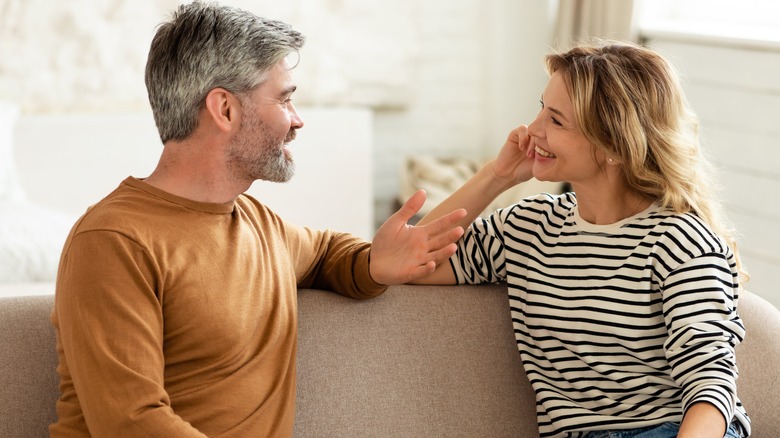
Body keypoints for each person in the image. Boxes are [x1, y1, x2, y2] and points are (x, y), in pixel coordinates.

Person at [49, 2, 466, 437]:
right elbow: (130, 424)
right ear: (224, 109)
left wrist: (371, 263)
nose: (298, 120)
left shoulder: (258, 224)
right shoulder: (112, 241)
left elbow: (324, 251)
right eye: (284, 99)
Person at [414, 41, 750, 438]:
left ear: (612, 146)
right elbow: (413, 259)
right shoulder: (529, 228)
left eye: (556, 121)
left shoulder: (680, 241)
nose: (531, 130)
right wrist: (496, 177)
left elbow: (710, 386)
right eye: (540, 108)